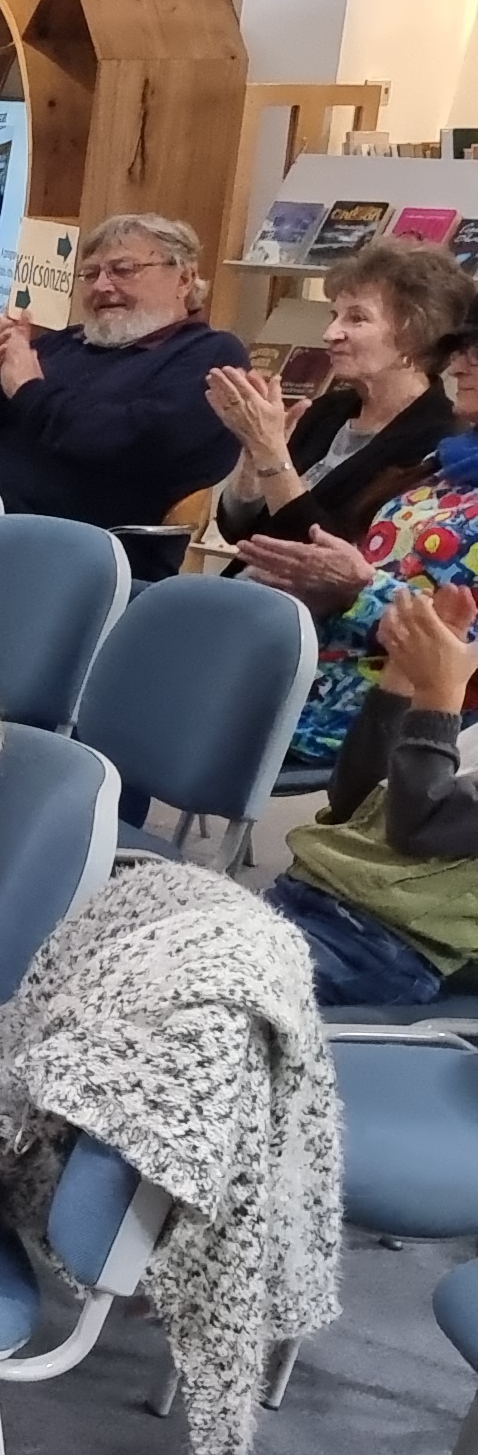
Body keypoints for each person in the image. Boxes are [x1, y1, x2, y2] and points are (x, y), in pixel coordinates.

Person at [0, 211, 250, 569]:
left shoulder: (211, 354)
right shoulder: (67, 342)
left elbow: (127, 440)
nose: (102, 286)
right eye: (90, 274)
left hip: (84, 556)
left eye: (123, 270)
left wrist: (27, 390)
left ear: (184, 278)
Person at [245, 349, 478, 764]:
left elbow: (463, 644)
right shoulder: (447, 461)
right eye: (462, 353)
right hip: (309, 680)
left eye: (477, 355)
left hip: (390, 722)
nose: (457, 367)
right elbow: (383, 565)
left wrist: (361, 588)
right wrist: (323, 585)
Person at [268, 581, 478, 1006]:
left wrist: (438, 695)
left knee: (180, 977)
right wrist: (402, 680)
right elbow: (353, 800)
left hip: (382, 945)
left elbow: (418, 827)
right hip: (309, 892)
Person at [218, 237, 469, 568]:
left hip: (306, 599)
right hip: (245, 585)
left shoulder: (437, 440)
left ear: (414, 334)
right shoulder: (327, 410)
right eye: (334, 316)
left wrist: (271, 454)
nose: (330, 333)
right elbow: (236, 531)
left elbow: (328, 558)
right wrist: (254, 458)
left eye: (357, 318)